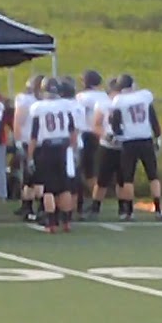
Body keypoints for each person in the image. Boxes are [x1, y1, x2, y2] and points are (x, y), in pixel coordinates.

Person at [109, 74, 162, 221]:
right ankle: (158, 209)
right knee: (153, 175)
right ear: (133, 84)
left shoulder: (119, 100)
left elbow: (115, 123)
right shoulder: (145, 96)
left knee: (128, 177)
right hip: (146, 139)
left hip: (129, 141)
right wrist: (158, 136)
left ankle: (129, 212)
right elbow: (153, 118)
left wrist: (117, 135)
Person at [28, 78, 78, 233]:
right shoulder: (66, 105)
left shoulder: (38, 107)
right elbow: (72, 131)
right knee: (64, 187)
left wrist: (30, 156)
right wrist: (74, 150)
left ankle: (51, 223)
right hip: (63, 147)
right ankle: (67, 222)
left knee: (48, 188)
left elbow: (34, 135)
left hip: (47, 149)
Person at [86, 77, 125, 221]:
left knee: (123, 180)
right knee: (102, 179)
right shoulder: (103, 103)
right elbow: (96, 125)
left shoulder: (127, 103)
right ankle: (95, 208)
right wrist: (106, 136)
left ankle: (124, 209)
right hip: (107, 146)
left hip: (125, 145)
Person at [75, 70, 108, 215]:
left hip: (86, 134)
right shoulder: (104, 96)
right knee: (93, 171)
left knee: (81, 170)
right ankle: (96, 200)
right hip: (102, 134)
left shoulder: (81, 97)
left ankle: (81, 202)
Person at [13, 75, 41, 221]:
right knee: (29, 175)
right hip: (29, 141)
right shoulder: (26, 100)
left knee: (35, 176)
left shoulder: (40, 102)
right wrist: (18, 141)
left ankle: (35, 206)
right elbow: (18, 121)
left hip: (39, 142)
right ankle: (28, 205)